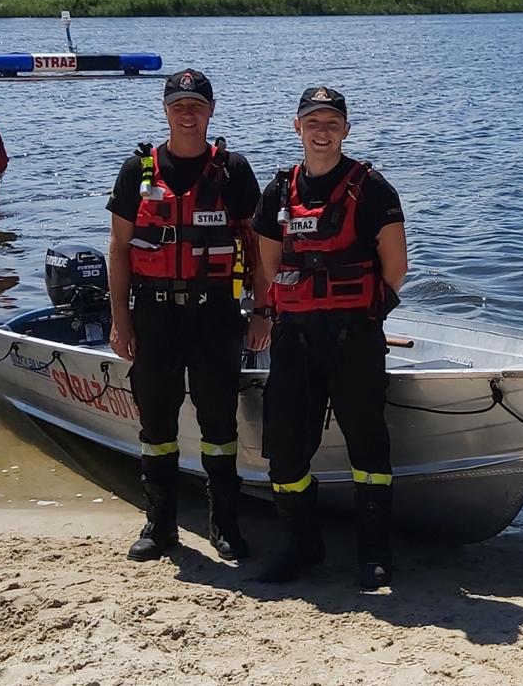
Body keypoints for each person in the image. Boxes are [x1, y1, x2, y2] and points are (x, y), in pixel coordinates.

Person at [104, 68, 267, 564]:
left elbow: (259, 248)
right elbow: (118, 248)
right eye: (179, 105)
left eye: (196, 104)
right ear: (166, 110)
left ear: (211, 109)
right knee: (156, 423)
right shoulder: (138, 171)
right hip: (154, 314)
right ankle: (160, 525)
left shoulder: (233, 170)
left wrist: (262, 310)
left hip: (217, 312)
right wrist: (120, 320)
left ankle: (225, 527)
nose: (188, 113)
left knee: (219, 424)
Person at [251, 86, 409, 589]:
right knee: (285, 449)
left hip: (354, 337)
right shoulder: (277, 191)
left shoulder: (373, 188)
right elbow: (269, 267)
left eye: (331, 122)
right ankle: (303, 545)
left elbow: (395, 270)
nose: (322, 131)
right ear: (297, 128)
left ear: (346, 128)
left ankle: (373, 554)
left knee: (369, 444)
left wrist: (352, 307)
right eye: (312, 122)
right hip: (295, 336)